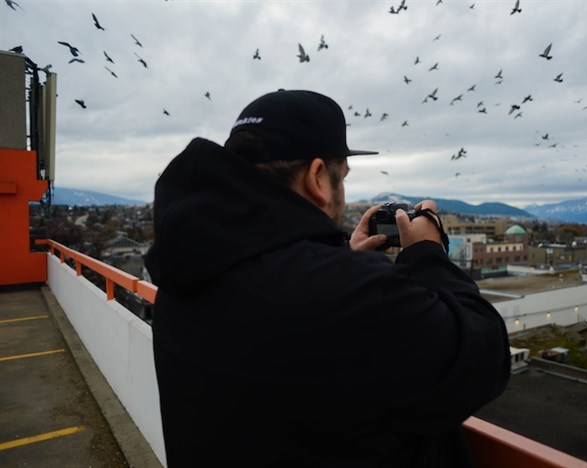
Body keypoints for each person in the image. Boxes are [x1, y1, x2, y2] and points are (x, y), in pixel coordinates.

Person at [145, 89, 511, 467]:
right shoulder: (347, 294)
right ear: (318, 177)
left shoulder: (186, 268)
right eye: (343, 177)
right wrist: (427, 254)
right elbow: (483, 358)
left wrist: (341, 260)